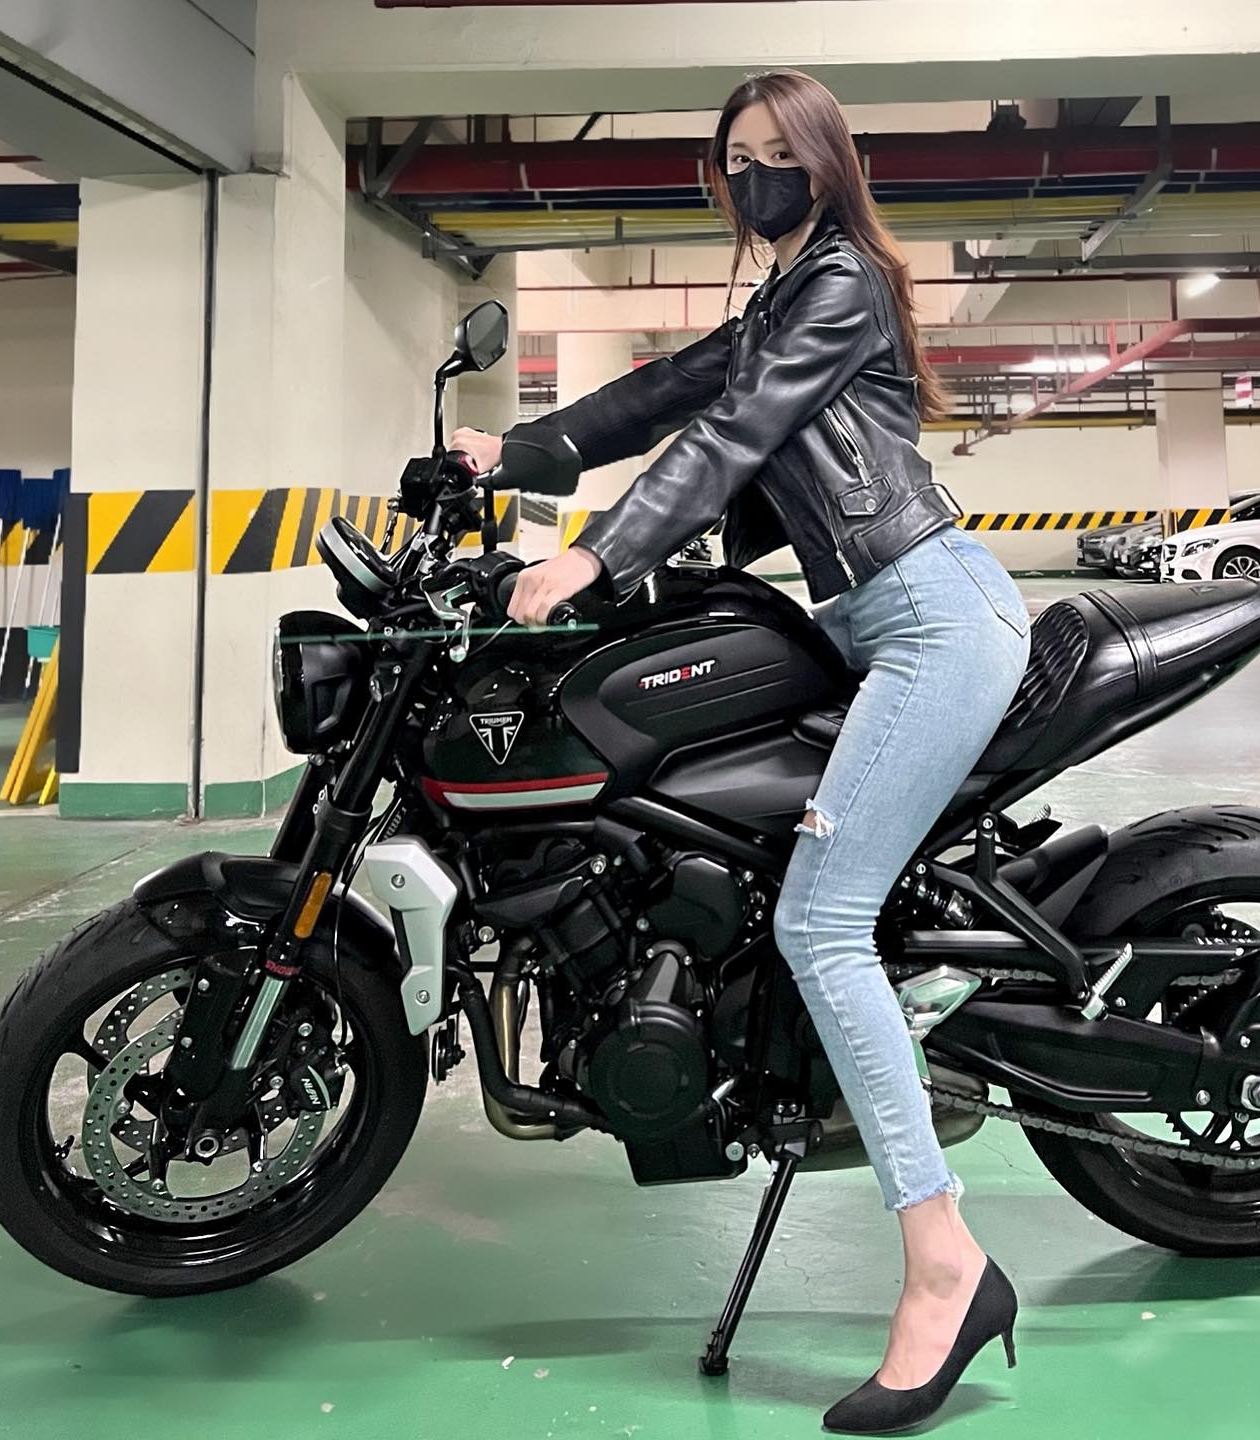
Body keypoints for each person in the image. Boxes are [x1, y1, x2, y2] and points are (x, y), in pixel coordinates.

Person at [450, 68, 1031, 1435]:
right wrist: (509, 453)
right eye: (738, 157)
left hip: (933, 618)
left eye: (780, 152)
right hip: (870, 618)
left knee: (823, 919)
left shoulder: (841, 285)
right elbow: (661, 393)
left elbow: (732, 434)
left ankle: (947, 1264)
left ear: (826, 163)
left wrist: (597, 552)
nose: (757, 174)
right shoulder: (780, 299)